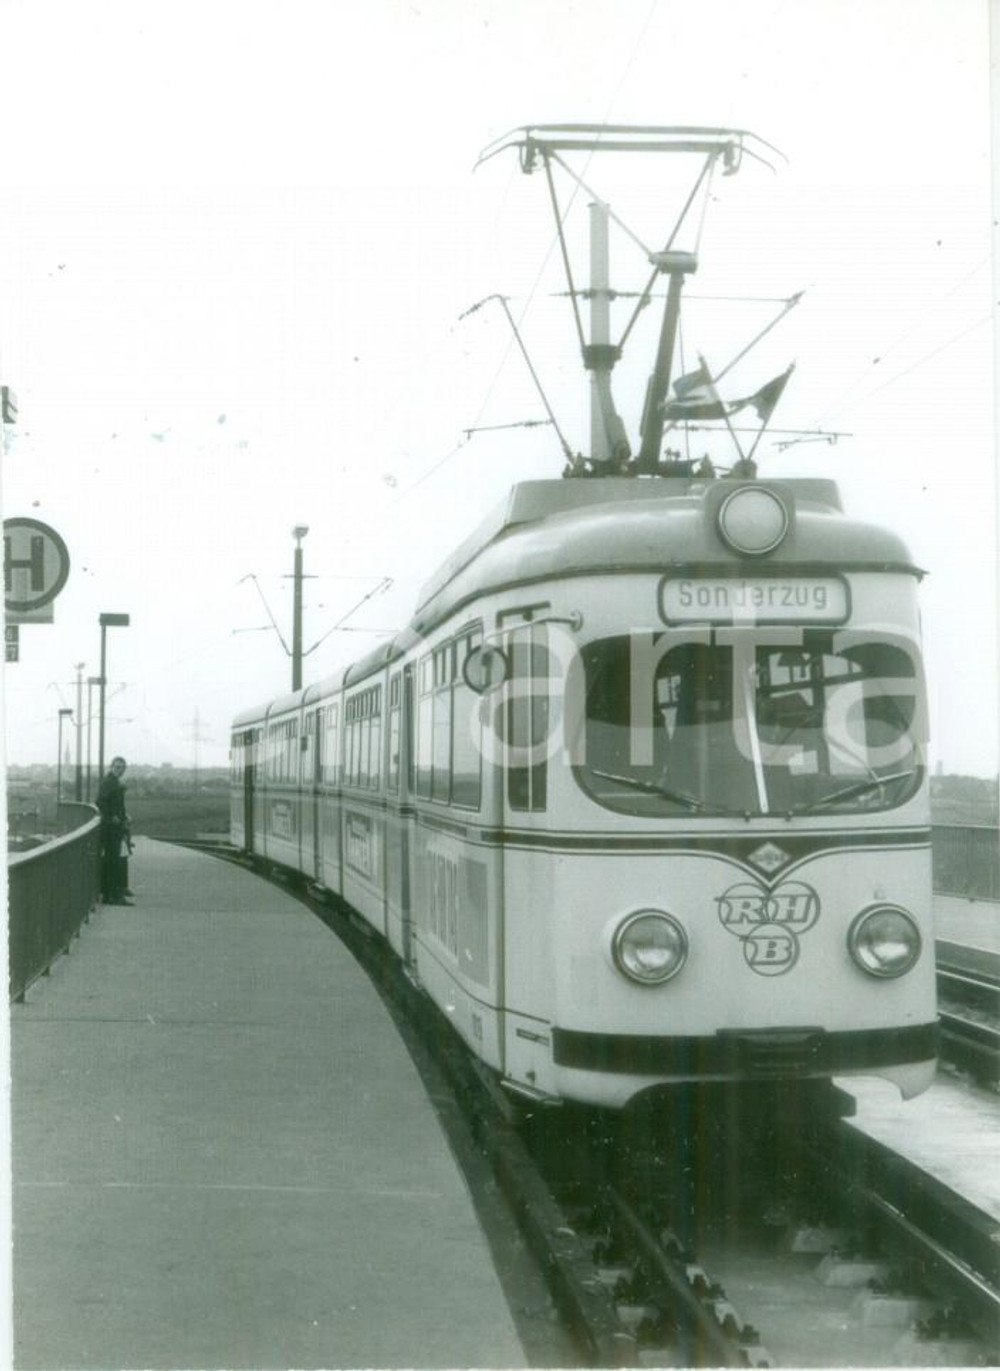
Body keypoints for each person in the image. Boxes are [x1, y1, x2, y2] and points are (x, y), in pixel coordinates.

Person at [97, 756, 133, 905]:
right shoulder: (109, 782)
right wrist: (112, 816)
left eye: (122, 768)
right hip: (111, 828)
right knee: (113, 860)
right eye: (117, 767)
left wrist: (124, 816)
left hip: (114, 827)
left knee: (112, 859)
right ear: (111, 767)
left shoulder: (114, 782)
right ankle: (113, 895)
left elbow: (114, 803)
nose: (119, 770)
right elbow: (100, 802)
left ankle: (108, 894)